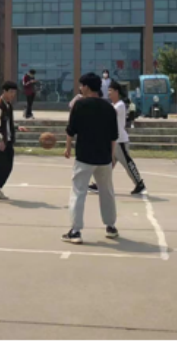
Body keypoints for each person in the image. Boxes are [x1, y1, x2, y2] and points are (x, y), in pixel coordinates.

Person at [63, 73, 119, 244]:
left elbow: (71, 130)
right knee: (107, 192)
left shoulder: (80, 105)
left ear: (86, 87)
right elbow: (113, 136)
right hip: (104, 157)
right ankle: (110, 226)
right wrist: (111, 156)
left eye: (81, 85)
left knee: (78, 192)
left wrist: (68, 148)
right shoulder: (109, 107)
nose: (80, 88)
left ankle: (75, 230)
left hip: (84, 157)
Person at [89, 80, 147, 196]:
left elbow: (108, 113)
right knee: (107, 165)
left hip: (120, 141)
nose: (109, 93)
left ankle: (139, 183)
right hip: (113, 141)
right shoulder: (113, 105)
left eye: (110, 90)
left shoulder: (120, 105)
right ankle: (100, 184)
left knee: (128, 163)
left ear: (116, 92)